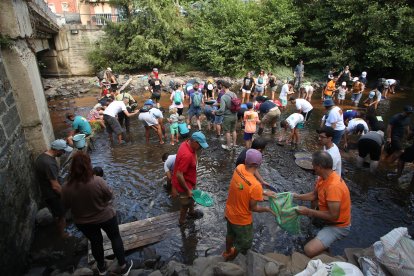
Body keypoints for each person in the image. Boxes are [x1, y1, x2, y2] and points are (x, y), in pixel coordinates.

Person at [61, 152, 133, 276]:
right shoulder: (97, 181)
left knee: (95, 242)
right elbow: (109, 195)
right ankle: (123, 267)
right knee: (115, 238)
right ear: (88, 165)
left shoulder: (66, 187)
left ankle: (101, 268)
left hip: (83, 222)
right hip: (105, 217)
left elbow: (65, 206)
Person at [294, 151, 351, 258]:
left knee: (309, 250)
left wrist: (309, 212)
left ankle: (326, 252)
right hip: (326, 218)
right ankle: (322, 240)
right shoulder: (323, 177)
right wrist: (296, 196)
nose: (312, 167)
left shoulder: (334, 186)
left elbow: (334, 216)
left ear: (319, 167)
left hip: (337, 225)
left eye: (313, 165)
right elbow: (314, 195)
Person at [222, 149, 275, 260]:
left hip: (229, 212)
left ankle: (227, 251)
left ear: (246, 160)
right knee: (245, 242)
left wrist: (264, 192)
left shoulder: (238, 168)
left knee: (230, 234)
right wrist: (268, 209)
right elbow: (253, 208)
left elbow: (244, 188)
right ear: (259, 165)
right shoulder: (256, 186)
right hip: (241, 220)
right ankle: (232, 256)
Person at [34, 139, 72, 238]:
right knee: (62, 215)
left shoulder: (42, 156)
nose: (64, 153)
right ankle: (62, 234)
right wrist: (64, 196)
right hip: (52, 194)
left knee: (57, 213)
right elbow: (55, 186)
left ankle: (58, 226)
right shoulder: (49, 164)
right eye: (63, 151)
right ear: (57, 150)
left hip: (45, 191)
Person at [172, 132, 209, 225]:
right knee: (185, 204)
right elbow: (179, 175)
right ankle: (182, 221)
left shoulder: (186, 143)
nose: (201, 148)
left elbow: (194, 152)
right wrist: (187, 190)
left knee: (192, 197)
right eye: (200, 145)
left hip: (190, 179)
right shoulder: (187, 155)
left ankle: (191, 212)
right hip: (184, 184)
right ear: (195, 142)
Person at [214, 81, 238, 150]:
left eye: (222, 86)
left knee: (227, 131)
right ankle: (234, 144)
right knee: (233, 130)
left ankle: (228, 146)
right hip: (235, 115)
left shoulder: (223, 97)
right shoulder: (234, 94)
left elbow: (221, 109)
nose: (221, 88)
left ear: (224, 87)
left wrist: (215, 112)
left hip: (227, 116)